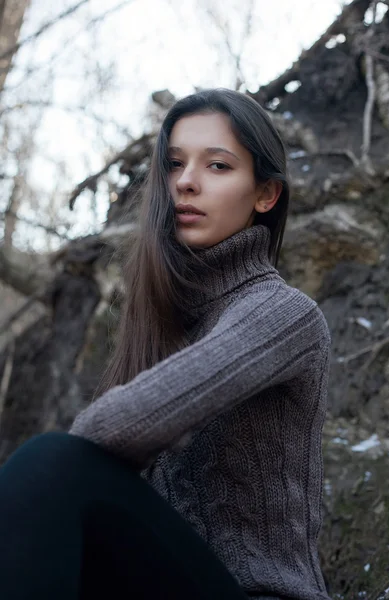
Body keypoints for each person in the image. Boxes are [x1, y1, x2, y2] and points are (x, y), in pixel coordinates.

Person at [0, 88, 332, 600]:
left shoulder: (284, 315)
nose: (186, 182)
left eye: (218, 166)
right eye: (174, 164)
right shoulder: (161, 319)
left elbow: (109, 430)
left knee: (52, 463)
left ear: (265, 195)